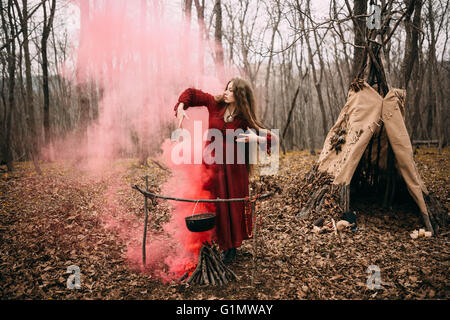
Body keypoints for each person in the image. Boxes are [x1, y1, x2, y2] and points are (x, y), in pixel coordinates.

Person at [174, 77, 274, 264]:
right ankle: (210, 242)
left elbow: (272, 139)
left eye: (231, 90)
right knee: (212, 204)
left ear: (240, 96)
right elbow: (192, 93)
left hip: (234, 171)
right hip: (211, 167)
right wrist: (181, 106)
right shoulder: (214, 104)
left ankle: (230, 248)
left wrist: (255, 139)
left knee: (231, 206)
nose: (226, 92)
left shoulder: (244, 119)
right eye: (226, 89)